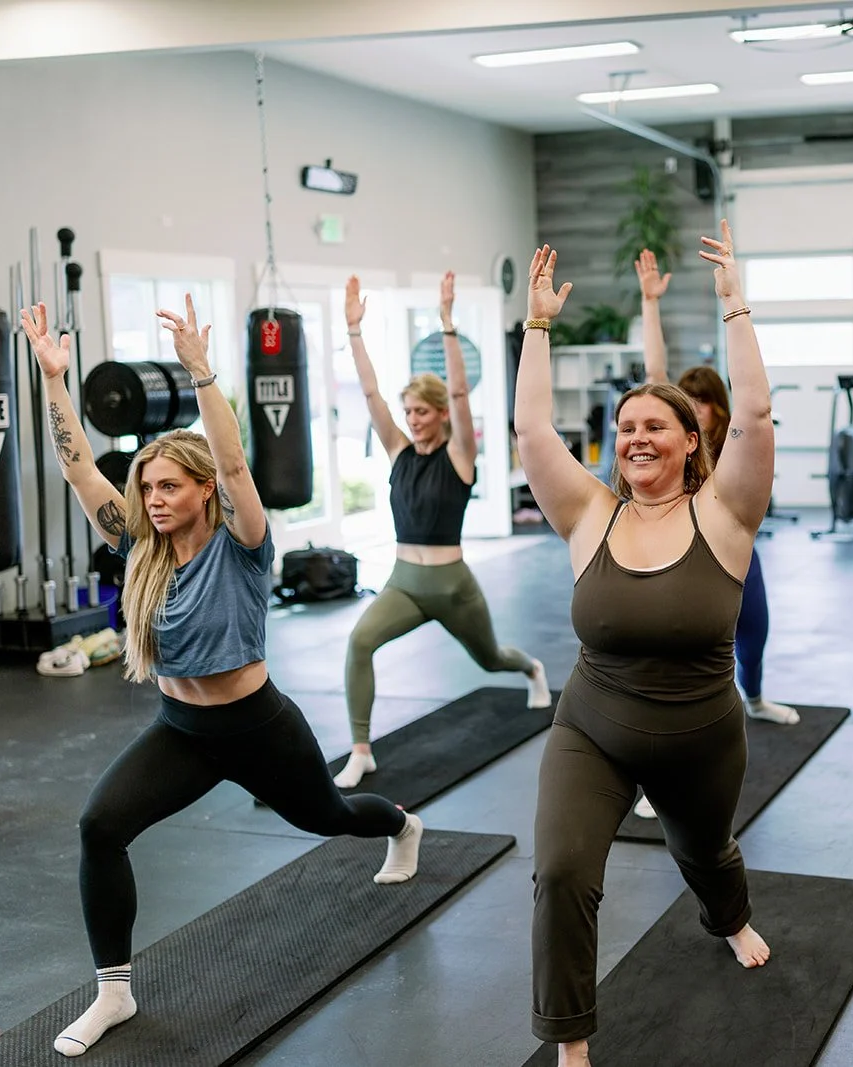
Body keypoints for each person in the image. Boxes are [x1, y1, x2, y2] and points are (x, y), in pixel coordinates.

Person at [22, 297, 423, 1059]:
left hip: (259, 726)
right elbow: (77, 465)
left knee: (331, 816)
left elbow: (236, 458)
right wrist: (52, 378)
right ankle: (114, 991)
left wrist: (202, 369)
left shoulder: (244, 542)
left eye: (169, 486)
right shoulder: (139, 549)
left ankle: (403, 824)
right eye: (146, 488)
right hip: (183, 733)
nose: (153, 500)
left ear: (204, 489)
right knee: (99, 826)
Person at [515, 224, 773, 1067]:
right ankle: (571, 1044)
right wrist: (538, 328)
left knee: (706, 851)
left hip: (701, 737)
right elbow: (532, 434)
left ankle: (728, 917)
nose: (637, 438)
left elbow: (758, 412)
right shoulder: (590, 513)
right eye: (626, 427)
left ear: (692, 439)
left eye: (656, 425)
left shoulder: (726, 516)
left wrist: (735, 303)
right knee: (559, 870)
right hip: (593, 726)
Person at [334, 271, 549, 789]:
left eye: (422, 412)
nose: (412, 419)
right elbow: (370, 395)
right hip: (404, 583)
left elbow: (458, 392)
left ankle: (533, 670)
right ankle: (361, 749)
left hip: (453, 587)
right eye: (408, 411)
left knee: (492, 658)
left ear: (440, 415)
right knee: (360, 642)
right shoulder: (398, 451)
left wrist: (448, 324)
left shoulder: (460, 456)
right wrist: (354, 332)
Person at [629, 250, 797, 819]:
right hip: (679, 558)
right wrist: (650, 304)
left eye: (703, 406)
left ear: (718, 410)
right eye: (688, 406)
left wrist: (734, 300)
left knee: (755, 636)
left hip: (735, 556)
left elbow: (757, 404)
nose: (696, 414)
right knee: (671, 669)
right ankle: (654, 778)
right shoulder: (675, 444)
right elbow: (654, 377)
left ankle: (754, 697)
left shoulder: (732, 449)